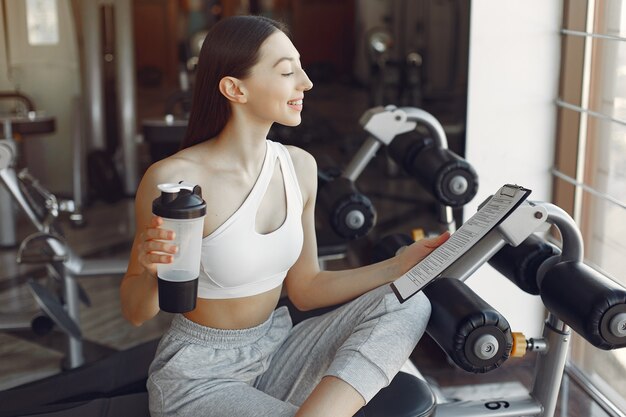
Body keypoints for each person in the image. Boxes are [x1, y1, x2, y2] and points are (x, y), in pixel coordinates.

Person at [120, 15, 449, 417]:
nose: (307, 83)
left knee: (408, 303)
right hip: (200, 376)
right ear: (234, 88)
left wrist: (397, 267)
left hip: (277, 348)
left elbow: (306, 288)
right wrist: (152, 270)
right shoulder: (174, 181)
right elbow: (136, 312)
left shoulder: (298, 166)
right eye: (288, 71)